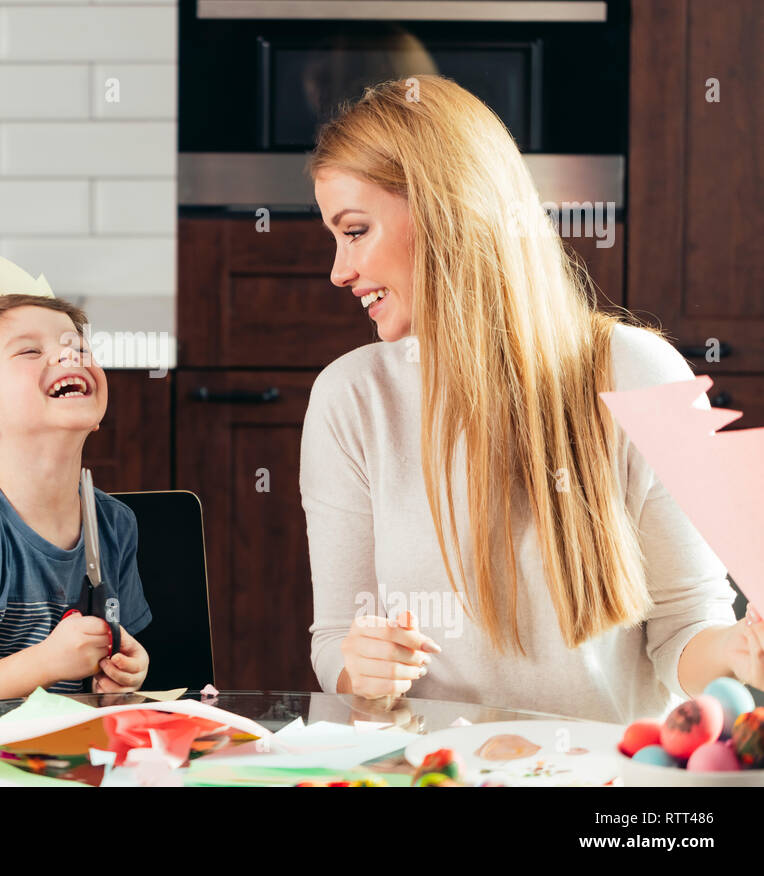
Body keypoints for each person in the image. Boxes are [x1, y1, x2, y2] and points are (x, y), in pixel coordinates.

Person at [299, 74, 764, 724]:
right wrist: (363, 667)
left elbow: (686, 629)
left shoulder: (638, 371)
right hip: (431, 770)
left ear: (443, 208)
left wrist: (740, 654)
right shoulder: (349, 400)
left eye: (355, 231)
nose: (338, 271)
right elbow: (334, 645)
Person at [0, 256, 151, 709]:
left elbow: (114, 647)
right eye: (30, 351)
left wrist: (124, 669)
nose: (69, 355)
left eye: (77, 347)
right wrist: (49, 662)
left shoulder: (114, 525)